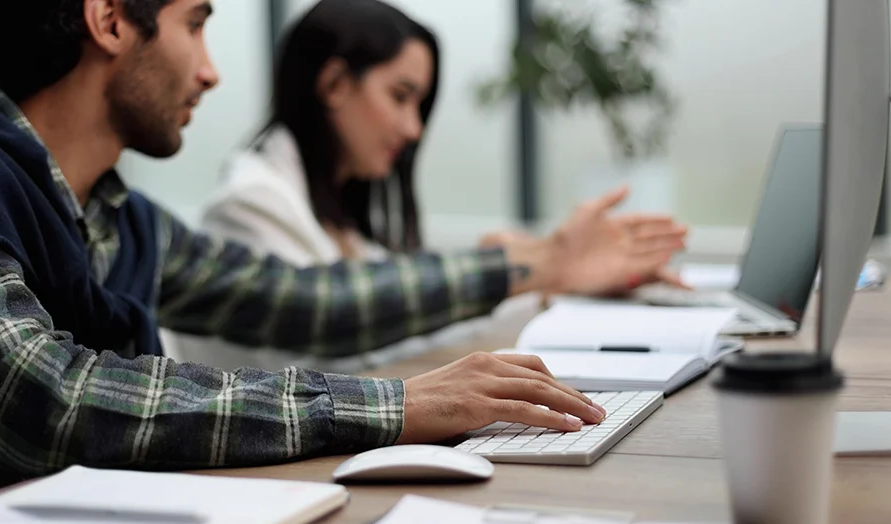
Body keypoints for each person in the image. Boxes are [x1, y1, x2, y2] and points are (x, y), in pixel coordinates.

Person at [0, 0, 682, 517]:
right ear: (108, 20)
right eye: (195, 24)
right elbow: (50, 398)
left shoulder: (127, 226)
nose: (211, 69)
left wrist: (532, 265)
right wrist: (396, 407)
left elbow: (309, 300)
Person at [166, 0, 689, 372]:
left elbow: (405, 313)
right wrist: (536, 265)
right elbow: (346, 340)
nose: (414, 129)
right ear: (333, 84)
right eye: (400, 96)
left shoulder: (332, 211)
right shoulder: (247, 204)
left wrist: (546, 282)